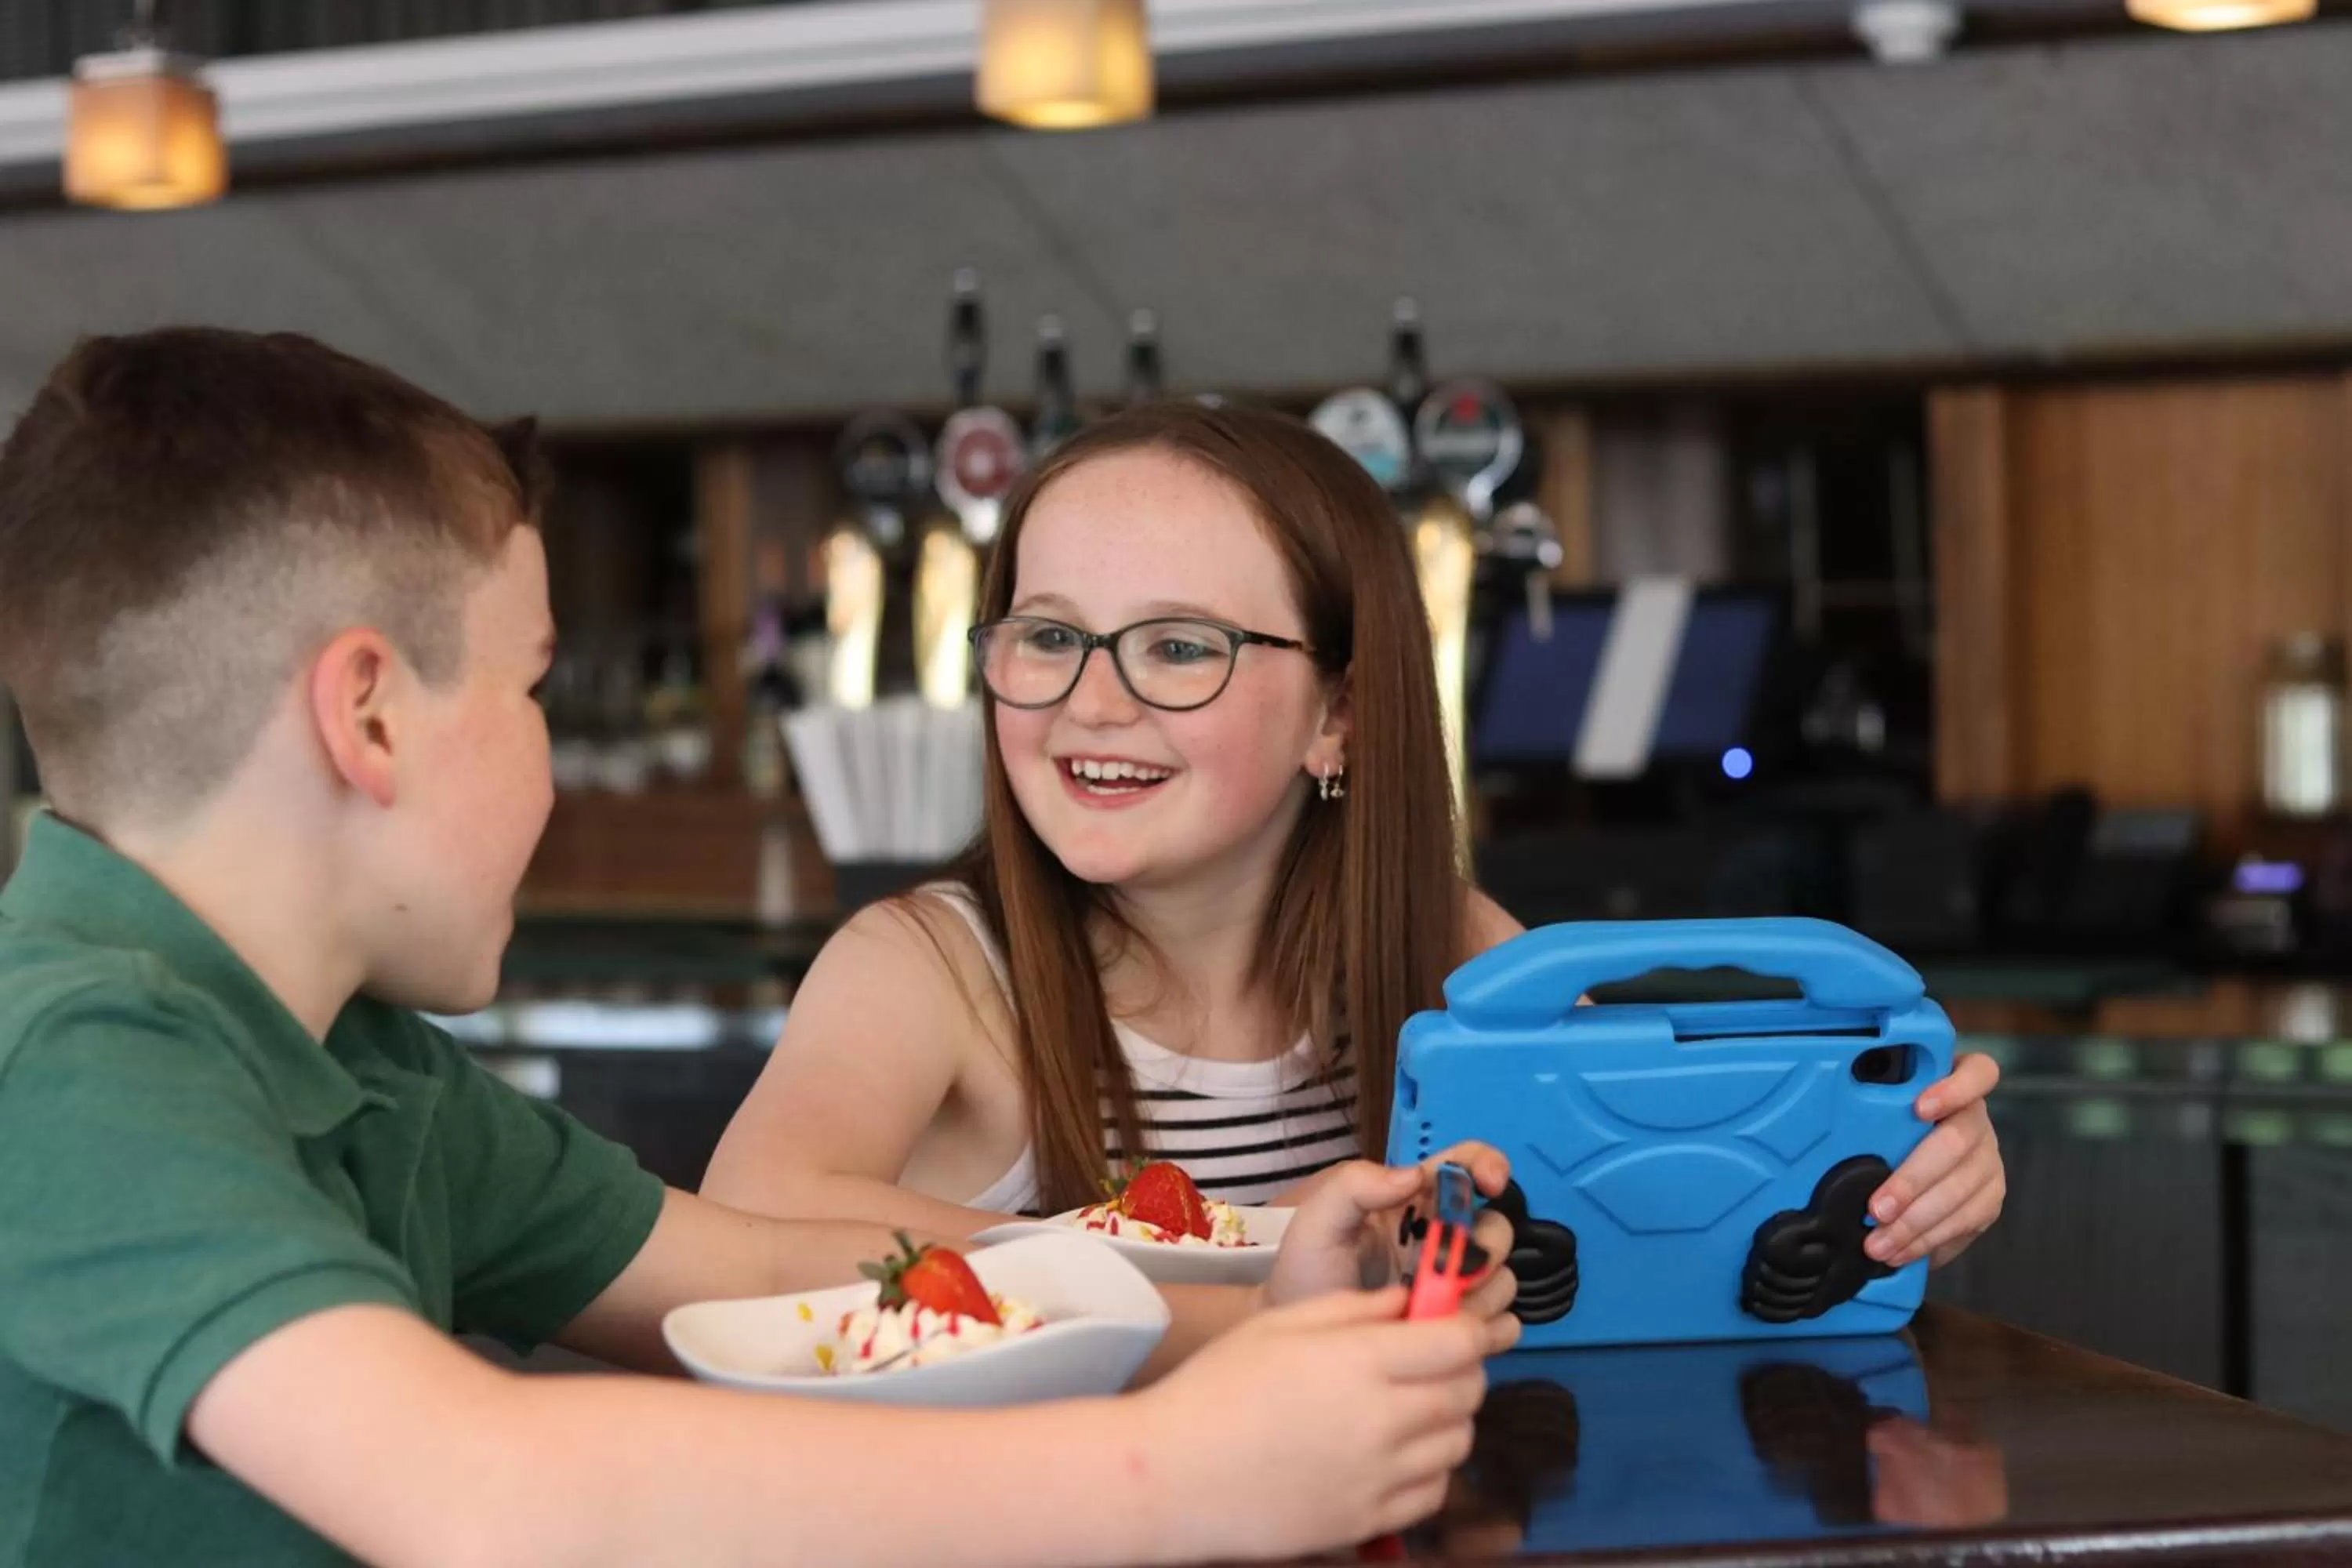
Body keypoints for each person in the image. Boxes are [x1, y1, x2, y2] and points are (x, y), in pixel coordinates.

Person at [0, 328, 1518, 1568]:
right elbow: (482, 1494)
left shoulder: (364, 1062)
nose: (552, 766)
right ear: (371, 716)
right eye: (533, 690)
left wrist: (1258, 1322)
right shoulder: (68, 1056)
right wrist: (1175, 1468)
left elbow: (750, 1263)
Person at [703, 402, 2005, 1275]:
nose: (1091, 701)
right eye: (1048, 636)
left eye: (1177, 647)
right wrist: (1249, 1266)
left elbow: (1661, 1195)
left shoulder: (1448, 948)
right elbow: (751, 1216)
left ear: (1340, 714)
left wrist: (1901, 1184)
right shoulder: (930, 969)